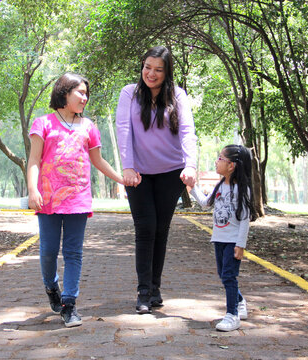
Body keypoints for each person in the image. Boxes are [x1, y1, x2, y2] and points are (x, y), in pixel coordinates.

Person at [27, 73, 123, 327]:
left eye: (86, 93)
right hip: (48, 199)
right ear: (64, 92)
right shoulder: (43, 123)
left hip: (78, 199)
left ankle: (69, 305)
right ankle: (51, 287)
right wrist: (32, 190)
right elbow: (34, 161)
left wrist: (121, 179)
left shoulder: (89, 126)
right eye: (80, 92)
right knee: (48, 252)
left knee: (73, 253)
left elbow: (98, 161)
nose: (85, 97)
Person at [116, 46, 198, 314]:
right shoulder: (129, 93)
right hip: (138, 174)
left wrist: (191, 165)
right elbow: (123, 129)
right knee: (145, 228)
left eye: (158, 70)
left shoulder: (177, 95)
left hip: (170, 172)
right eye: (147, 67)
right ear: (142, 66)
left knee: (161, 229)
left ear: (167, 72)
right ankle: (143, 290)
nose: (151, 73)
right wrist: (127, 166)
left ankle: (155, 287)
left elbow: (187, 131)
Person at [189, 144, 253, 332]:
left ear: (231, 165)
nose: (217, 162)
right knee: (223, 275)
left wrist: (240, 245)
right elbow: (205, 204)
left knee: (228, 276)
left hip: (233, 240)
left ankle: (232, 315)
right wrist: (192, 187)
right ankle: (240, 301)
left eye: (220, 159)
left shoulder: (242, 189)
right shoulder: (220, 186)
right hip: (218, 239)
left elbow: (245, 220)